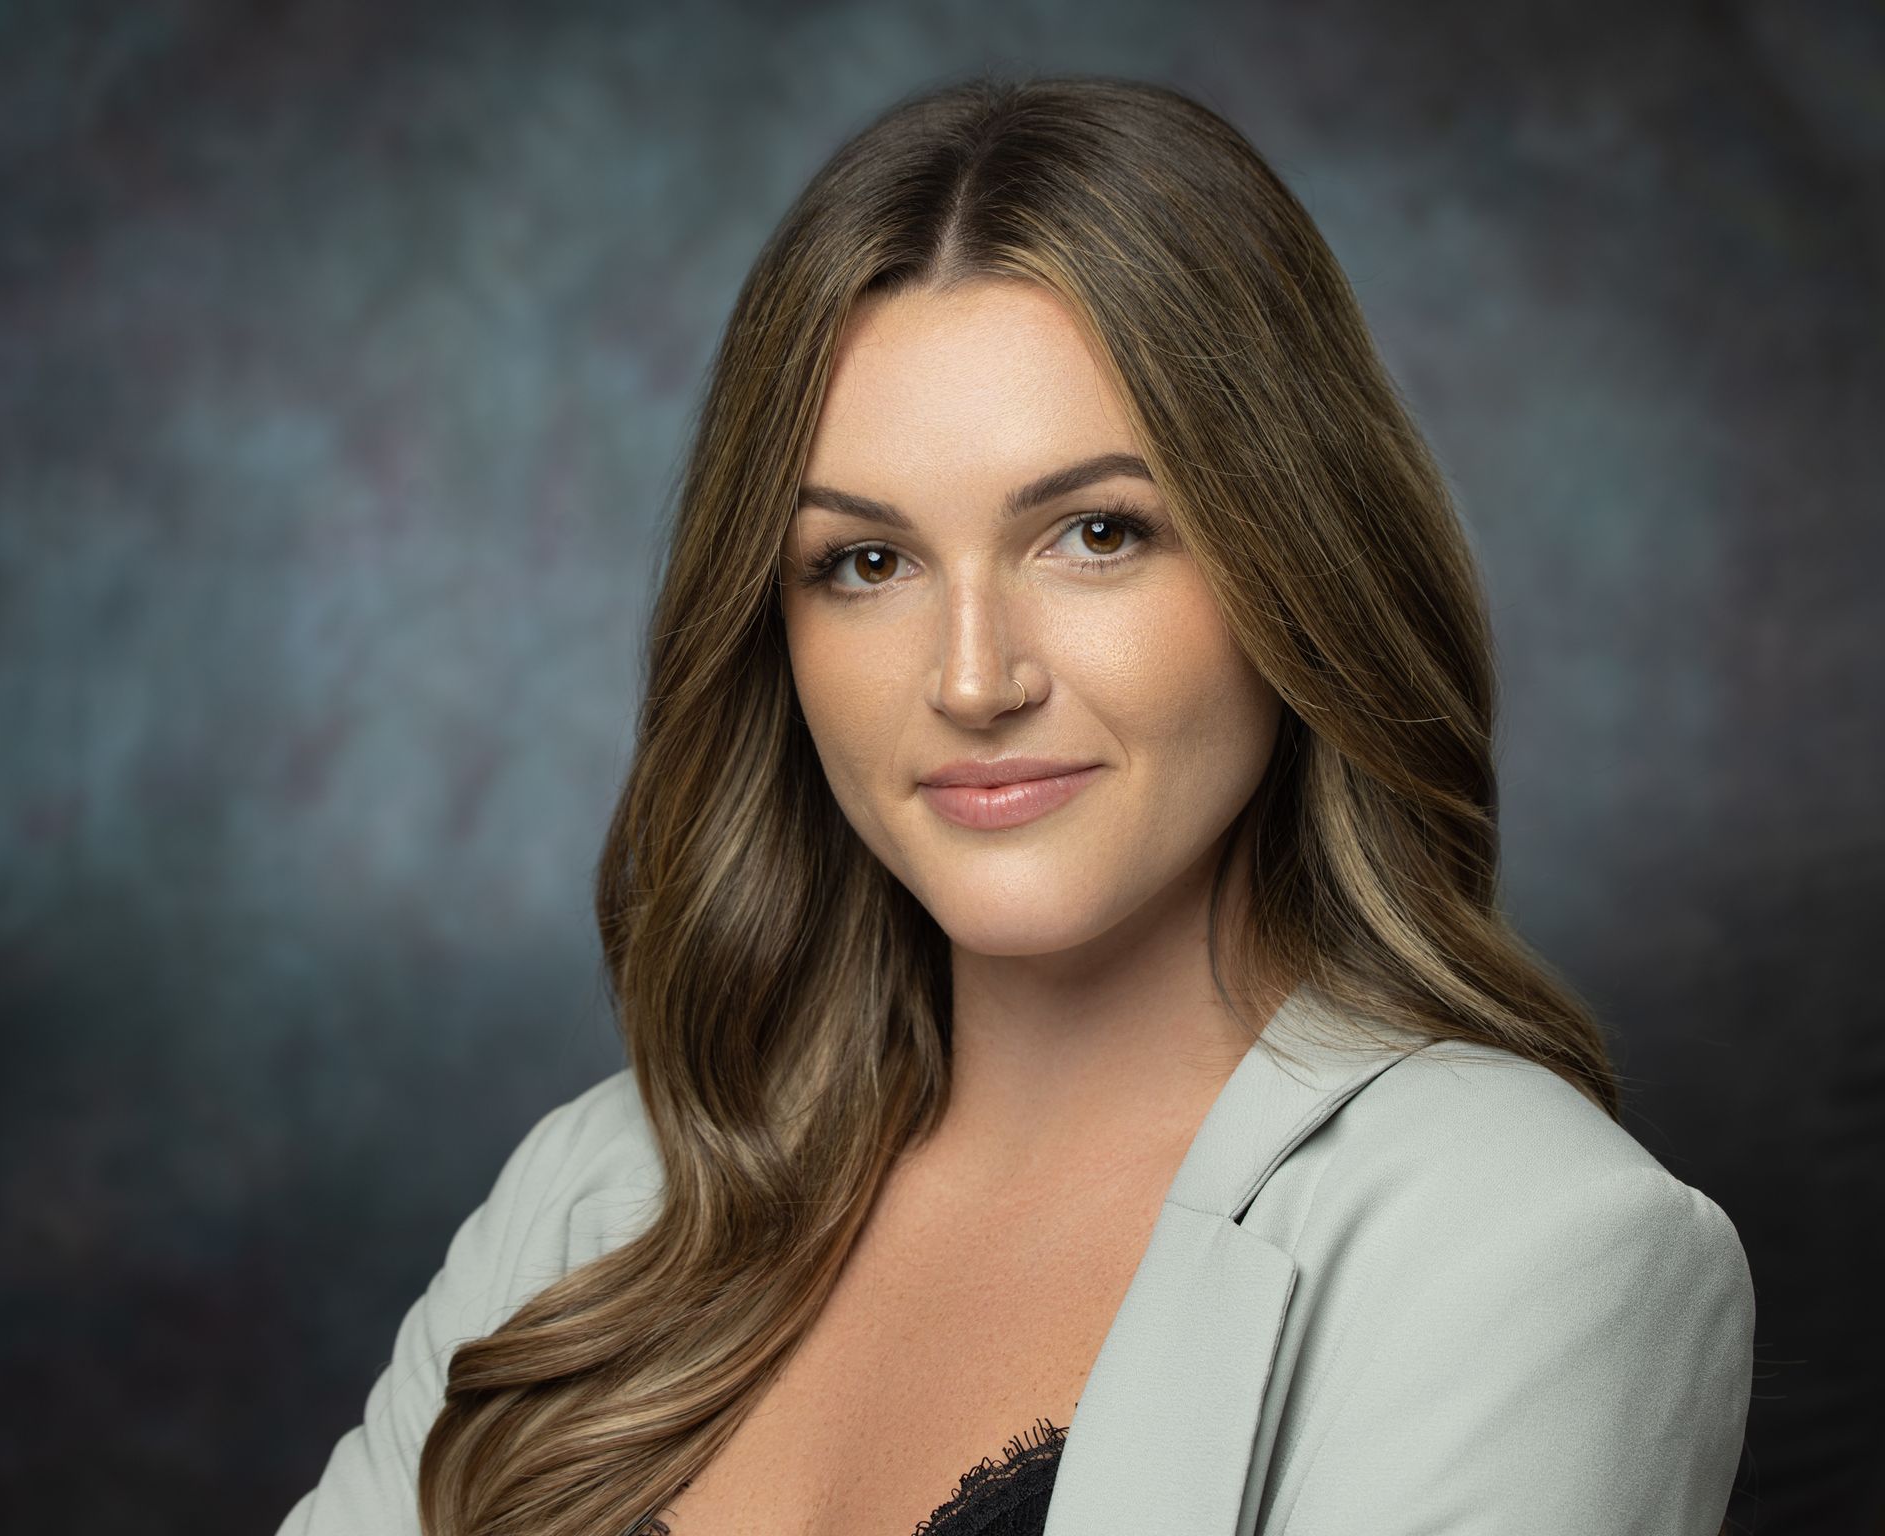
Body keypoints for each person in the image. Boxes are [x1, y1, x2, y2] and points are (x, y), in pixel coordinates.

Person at [277, 71, 1755, 1536]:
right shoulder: (598, 1192)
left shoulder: (1529, 1246)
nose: (974, 679)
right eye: (866, 563)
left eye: (1097, 534)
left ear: (1296, 562)